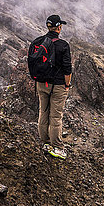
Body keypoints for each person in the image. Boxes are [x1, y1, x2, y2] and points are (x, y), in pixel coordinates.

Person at [34, 14, 72, 159]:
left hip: (42, 83)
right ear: (59, 27)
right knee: (55, 116)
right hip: (58, 85)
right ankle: (57, 148)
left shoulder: (40, 41)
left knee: (43, 112)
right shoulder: (63, 45)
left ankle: (45, 142)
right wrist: (67, 85)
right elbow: (67, 69)